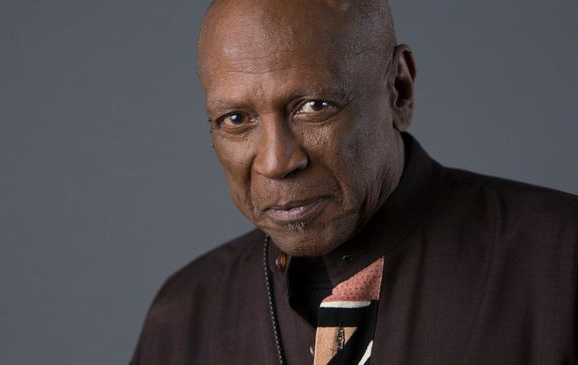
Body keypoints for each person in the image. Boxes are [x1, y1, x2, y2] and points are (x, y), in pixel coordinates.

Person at [131, 0, 577, 363]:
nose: (276, 161)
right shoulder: (184, 316)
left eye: (314, 106)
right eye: (235, 119)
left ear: (398, 90)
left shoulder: (561, 262)